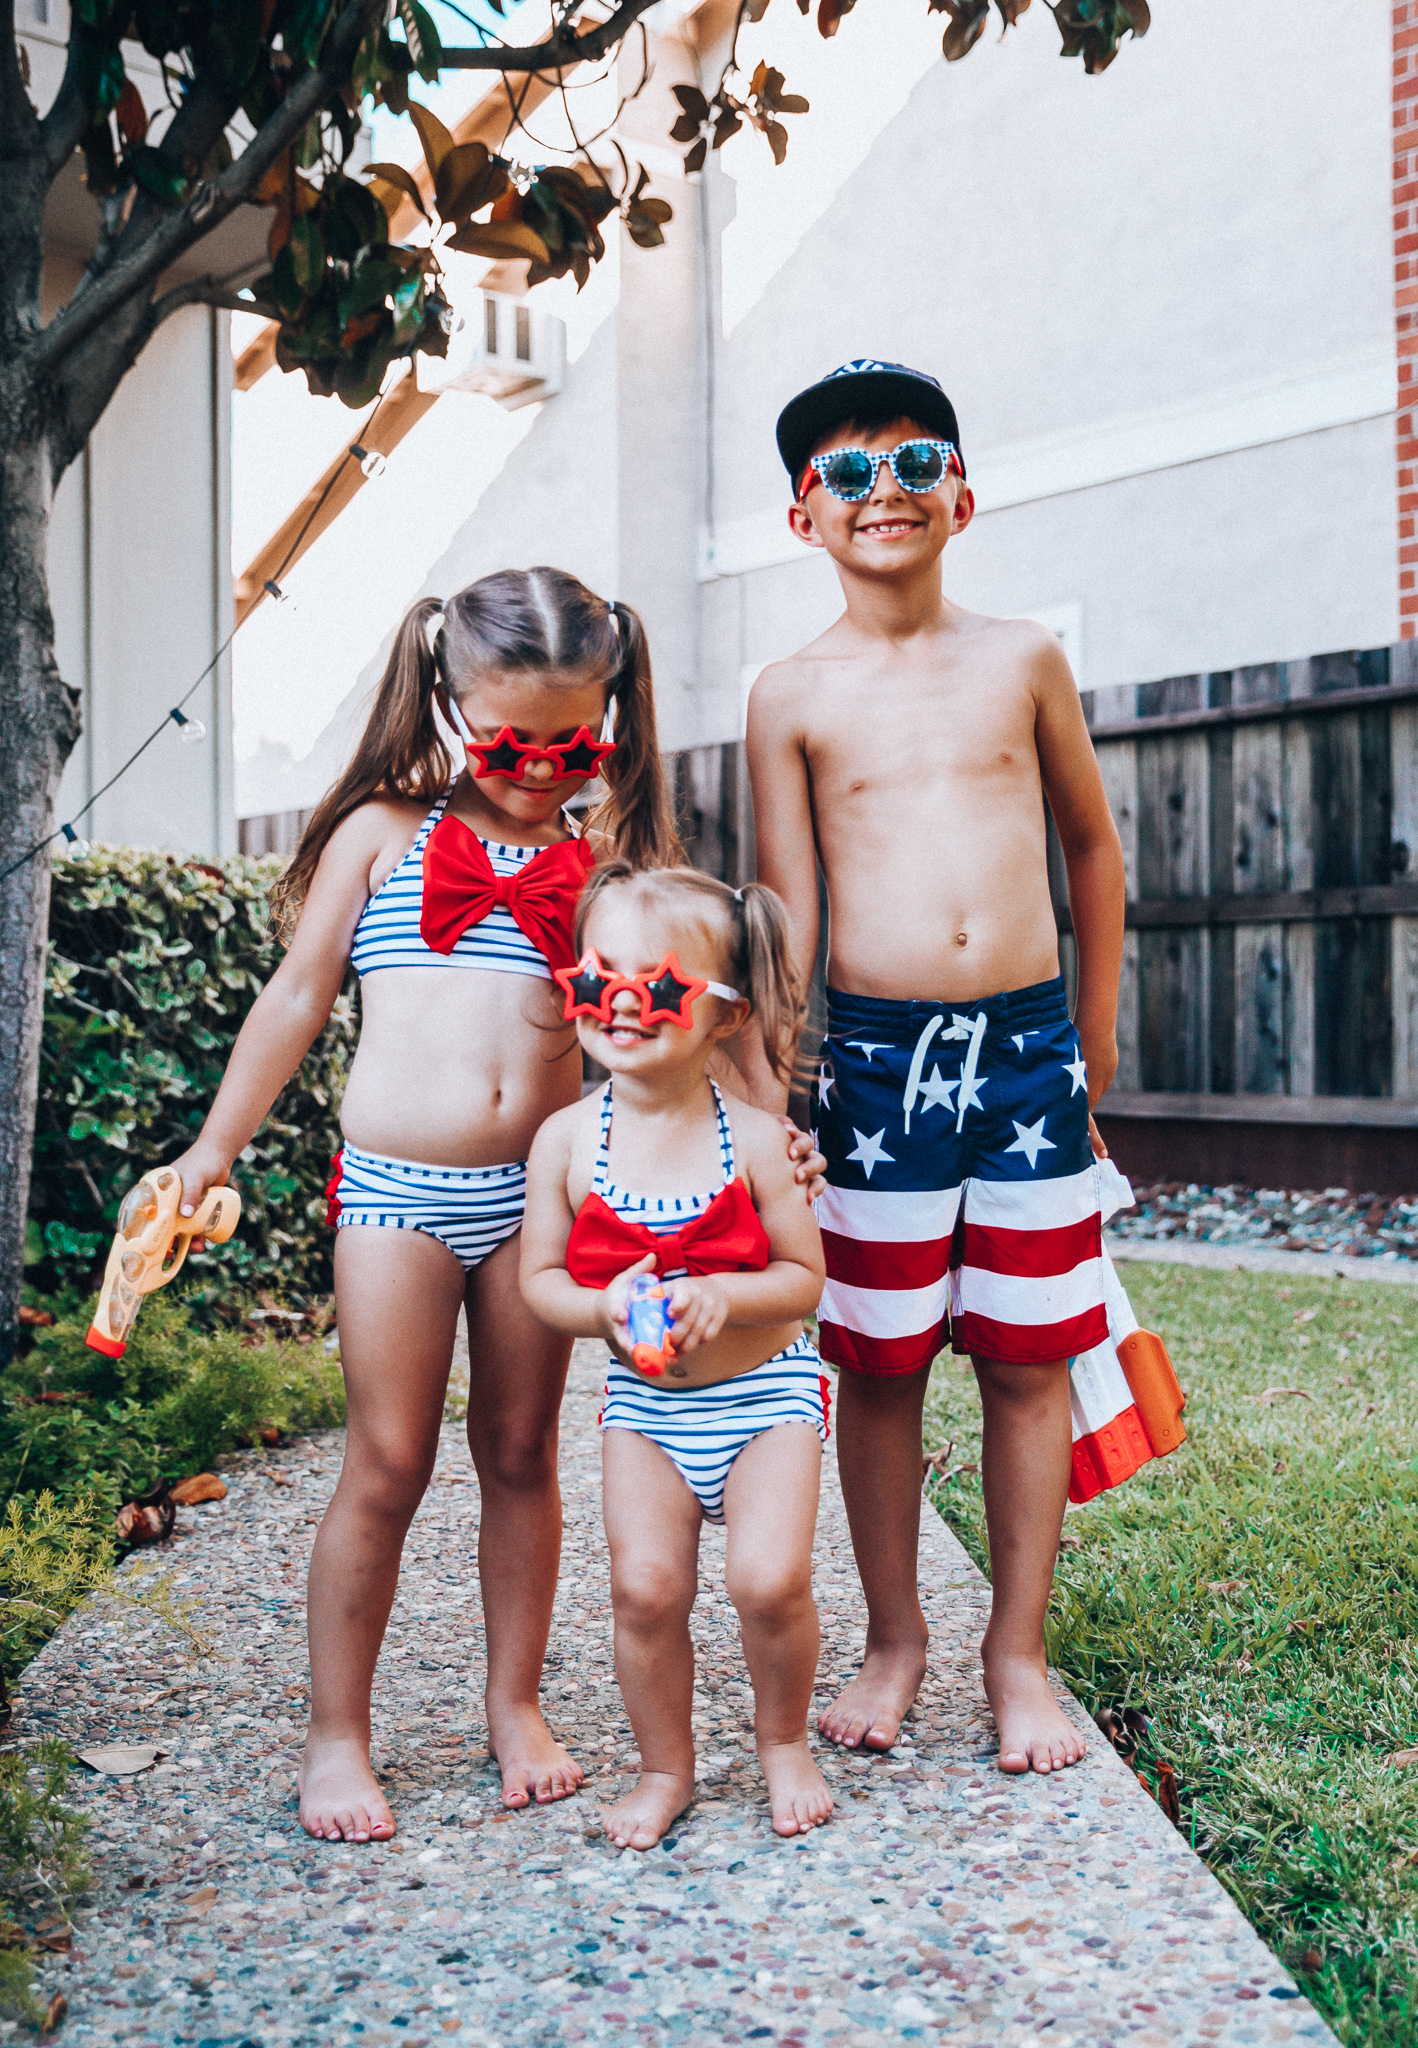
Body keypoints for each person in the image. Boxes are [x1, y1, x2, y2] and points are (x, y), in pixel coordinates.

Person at [166, 568, 823, 1843]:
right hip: (399, 1195)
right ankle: (338, 1731)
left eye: (575, 742)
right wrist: (212, 1149)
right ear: (447, 700)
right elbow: (296, 999)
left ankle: (514, 1703)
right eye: (513, 740)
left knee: (519, 1453)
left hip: (543, 1202)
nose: (542, 768)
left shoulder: (608, 864)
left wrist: (776, 1134)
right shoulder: (380, 833)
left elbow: (710, 1008)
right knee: (389, 1457)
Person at [740, 362, 1126, 1775]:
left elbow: (1089, 848)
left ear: (962, 491)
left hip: (1027, 1058)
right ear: (803, 518)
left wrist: (1090, 1041)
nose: (882, 489)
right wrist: (775, 1092)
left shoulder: (1020, 656)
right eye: (844, 473)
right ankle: (895, 1638)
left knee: (1027, 1364)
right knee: (882, 1365)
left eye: (912, 460)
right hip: (874, 1070)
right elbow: (781, 915)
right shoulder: (787, 694)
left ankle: (1012, 1654)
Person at [520, 863, 833, 1846]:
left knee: (767, 1579)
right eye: (594, 976)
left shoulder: (756, 1141)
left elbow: (801, 1276)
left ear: (724, 1013)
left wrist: (722, 1293)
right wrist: (600, 1302)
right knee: (645, 1588)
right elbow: (539, 1282)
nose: (617, 1002)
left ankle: (782, 1740)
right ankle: (666, 1764)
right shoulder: (564, 1142)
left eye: (653, 985)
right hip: (645, 1409)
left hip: (764, 1397)